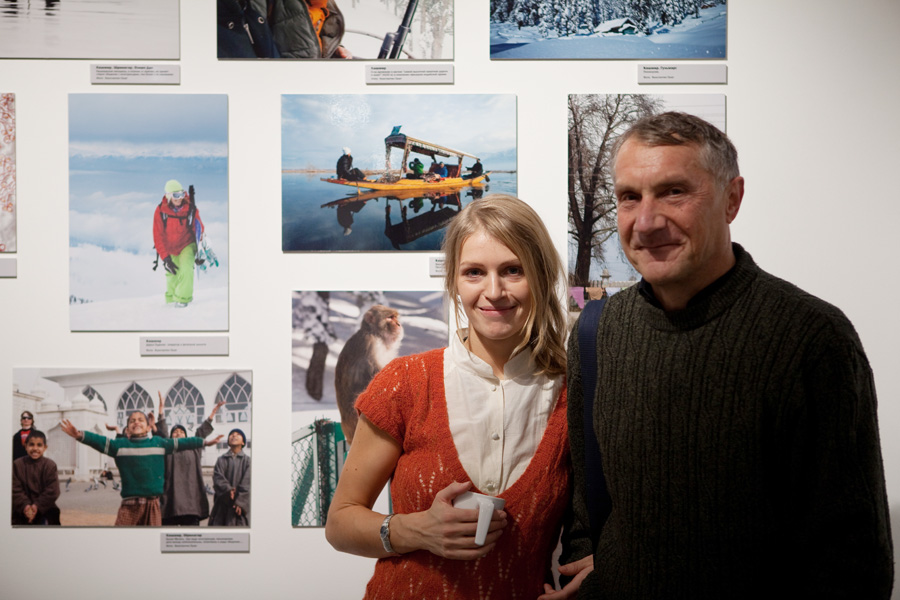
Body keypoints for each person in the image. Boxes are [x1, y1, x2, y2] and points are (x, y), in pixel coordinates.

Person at [548, 112, 893, 599]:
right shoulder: (597, 332)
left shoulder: (812, 339)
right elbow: (587, 507)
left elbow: (852, 557)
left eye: (673, 192)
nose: (646, 222)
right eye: (629, 197)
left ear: (732, 199)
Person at [325, 194, 571, 598]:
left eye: (513, 270)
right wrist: (414, 530)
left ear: (541, 276)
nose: (494, 291)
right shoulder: (404, 382)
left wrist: (598, 565)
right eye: (474, 272)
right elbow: (340, 523)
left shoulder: (572, 393)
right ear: (454, 283)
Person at [60, 412, 219, 526]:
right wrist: (80, 435)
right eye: (132, 421)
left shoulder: (159, 443)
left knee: (151, 544)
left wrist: (204, 442)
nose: (136, 422)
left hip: (153, 505)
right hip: (129, 506)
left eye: (141, 420)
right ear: (128, 429)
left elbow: (184, 442)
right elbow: (100, 441)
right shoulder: (119, 446)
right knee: (123, 543)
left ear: (149, 427)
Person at [156, 392, 225, 526]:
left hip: (191, 501)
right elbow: (162, 431)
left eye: (182, 432)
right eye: (175, 432)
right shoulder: (168, 447)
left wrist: (213, 413)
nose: (178, 433)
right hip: (171, 500)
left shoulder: (194, 448)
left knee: (191, 534)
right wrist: (161, 409)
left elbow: (202, 432)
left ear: (187, 437)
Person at [217, 0, 352, 59]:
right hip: (290, 71)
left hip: (318, 67)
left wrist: (335, 48)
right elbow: (256, 27)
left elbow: (318, 33)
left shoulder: (324, 6)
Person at [152, 179, 203, 308]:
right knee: (172, 273)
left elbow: (199, 229)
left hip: (187, 244)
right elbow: (158, 236)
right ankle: (171, 301)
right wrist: (166, 258)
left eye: (181, 194)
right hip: (170, 247)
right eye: (176, 195)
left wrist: (199, 251)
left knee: (186, 269)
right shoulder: (161, 211)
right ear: (168, 195)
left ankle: (183, 300)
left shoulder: (190, 209)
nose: (179, 198)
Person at [11, 430, 60, 526]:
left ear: (45, 448)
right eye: (31, 445)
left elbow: (53, 491)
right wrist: (26, 506)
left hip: (45, 507)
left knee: (52, 517)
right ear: (25, 446)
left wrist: (36, 506)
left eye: (39, 445)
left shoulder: (50, 465)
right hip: (21, 508)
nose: (35, 448)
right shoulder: (17, 465)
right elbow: (15, 489)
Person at [208, 429, 251, 526]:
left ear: (243, 442)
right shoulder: (221, 460)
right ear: (228, 442)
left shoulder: (248, 461)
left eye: (238, 434)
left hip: (239, 508)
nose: (234, 436)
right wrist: (228, 490)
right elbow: (218, 478)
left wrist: (241, 502)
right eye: (231, 434)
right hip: (222, 505)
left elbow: (247, 483)